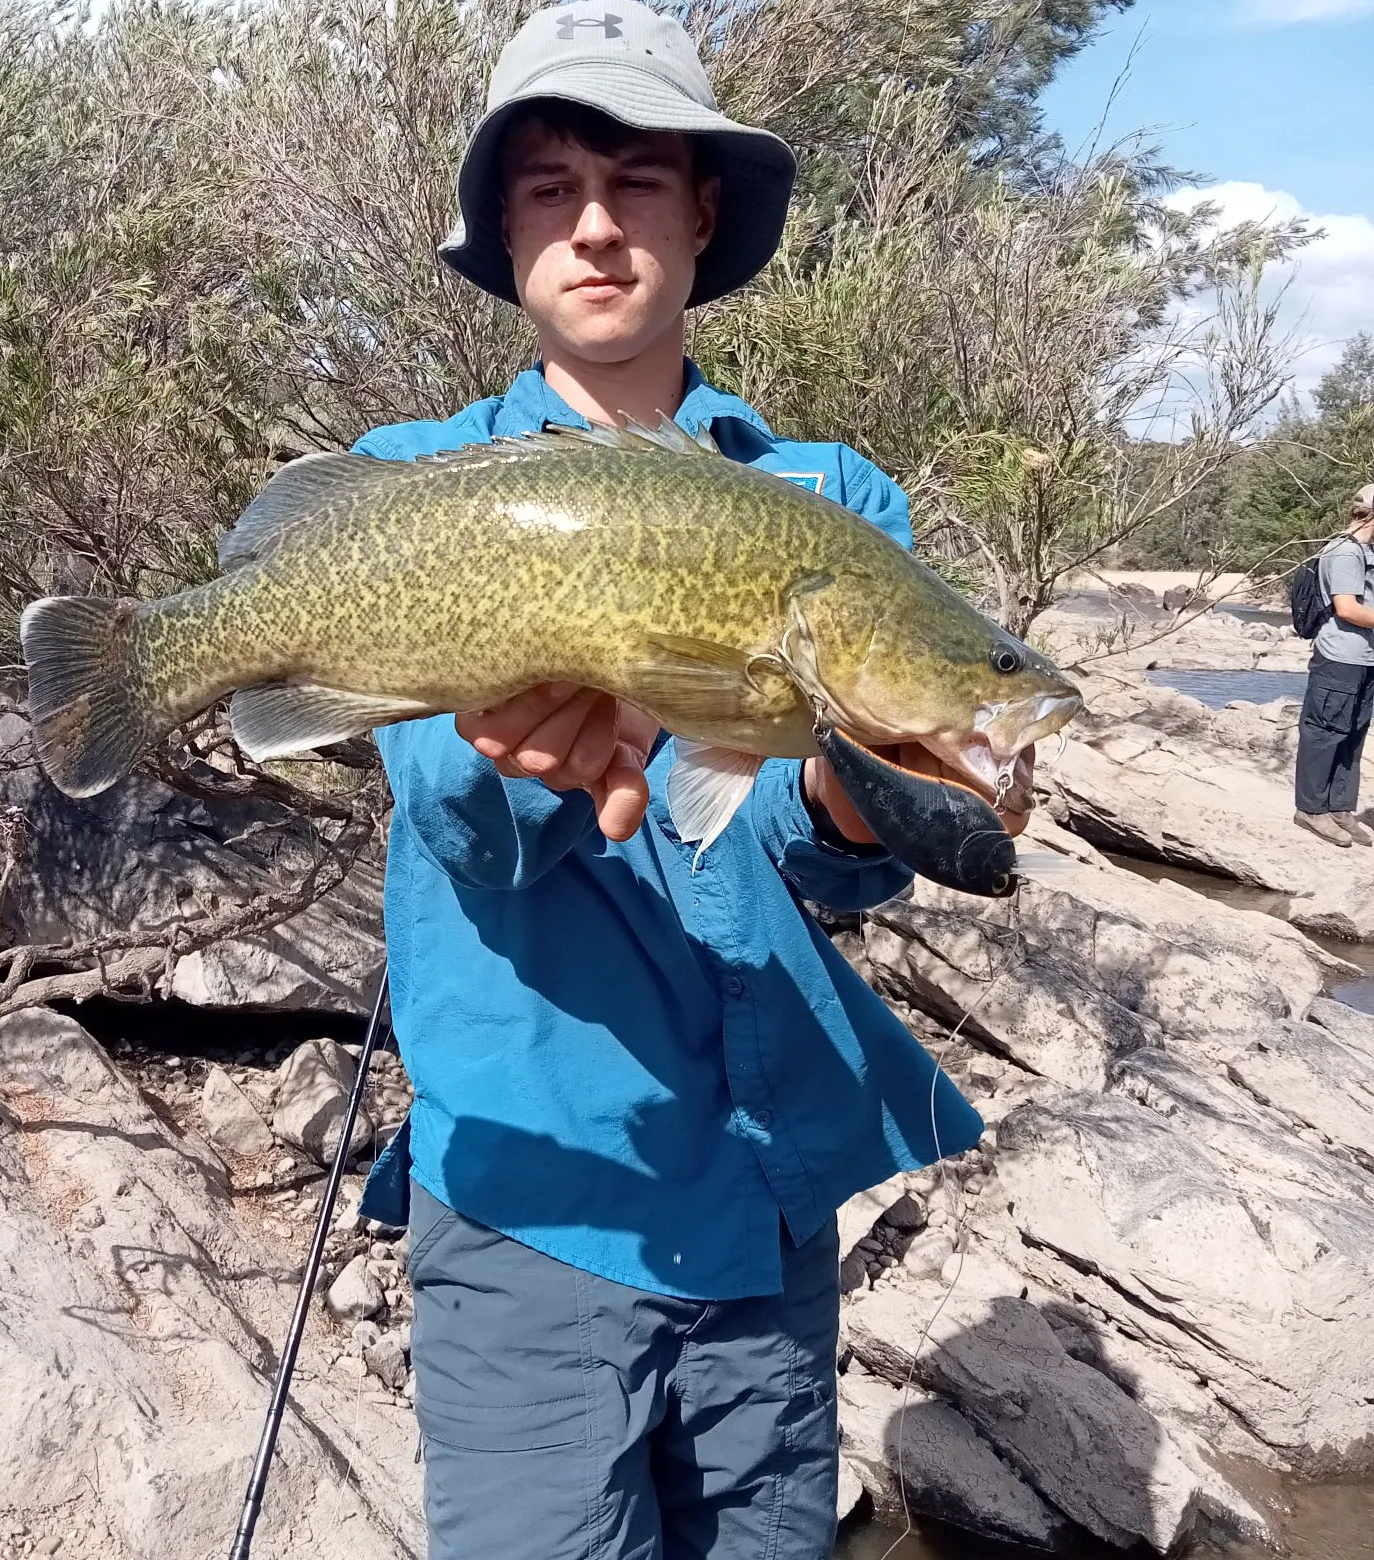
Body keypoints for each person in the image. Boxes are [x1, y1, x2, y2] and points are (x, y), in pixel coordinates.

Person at [350, 4, 1029, 1554]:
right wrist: (511, 764)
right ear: (506, 232)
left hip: (764, 1207)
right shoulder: (414, 482)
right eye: (550, 189)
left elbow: (798, 836)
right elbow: (453, 819)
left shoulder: (830, 501)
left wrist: (882, 792)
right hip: (536, 1203)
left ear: (702, 214)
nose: (595, 226)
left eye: (637, 182)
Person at [1295, 482, 1374, 847]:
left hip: (1363, 659)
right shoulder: (1344, 552)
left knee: (1353, 733)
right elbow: (1347, 609)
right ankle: (1311, 810)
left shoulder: (1364, 550)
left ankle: (1340, 808)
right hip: (1339, 658)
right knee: (1325, 731)